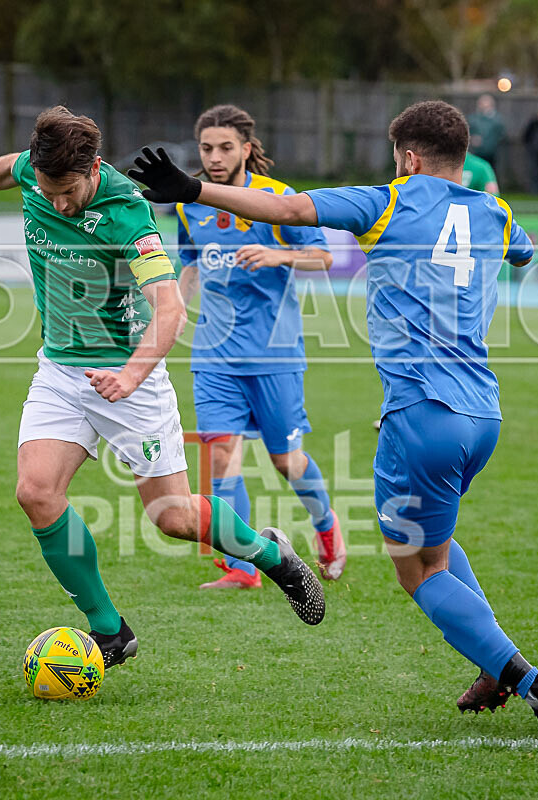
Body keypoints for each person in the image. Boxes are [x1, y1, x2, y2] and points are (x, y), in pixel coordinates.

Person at [129, 100, 538, 735]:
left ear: (408, 157)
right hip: (484, 414)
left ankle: (534, 684)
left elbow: (291, 209)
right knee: (439, 541)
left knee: (415, 569)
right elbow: (525, 255)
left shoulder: (390, 200)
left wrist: (193, 189)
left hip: (421, 414)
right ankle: (491, 665)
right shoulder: (496, 211)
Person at [0, 106, 326, 668]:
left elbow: (171, 309)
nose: (57, 202)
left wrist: (130, 376)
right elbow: (9, 167)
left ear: (95, 168)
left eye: (69, 192)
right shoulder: (38, 170)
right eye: (48, 190)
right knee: (35, 492)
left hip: (132, 377)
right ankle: (109, 629)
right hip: (60, 372)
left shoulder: (127, 209)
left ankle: (271, 555)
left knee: (173, 518)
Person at [177, 104, 346, 589]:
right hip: (214, 353)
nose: (213, 157)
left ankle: (326, 525)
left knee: (285, 462)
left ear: (247, 150)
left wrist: (279, 253)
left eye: (225, 147)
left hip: (275, 353)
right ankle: (245, 566)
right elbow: (191, 263)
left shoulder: (278, 199)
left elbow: (324, 256)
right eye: (206, 148)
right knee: (221, 457)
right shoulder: (191, 202)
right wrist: (172, 308)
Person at [468, 94, 505, 172]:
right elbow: (468, 132)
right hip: (476, 153)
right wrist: (472, 139)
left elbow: (501, 134)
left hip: (492, 154)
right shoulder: (473, 118)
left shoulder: (497, 119)